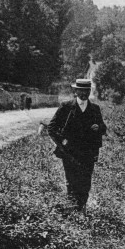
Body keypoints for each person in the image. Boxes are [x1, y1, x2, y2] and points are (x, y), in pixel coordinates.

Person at [46, 78, 107, 211]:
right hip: (70, 152)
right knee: (71, 182)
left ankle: (81, 209)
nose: (84, 93)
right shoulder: (66, 107)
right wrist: (62, 143)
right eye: (81, 90)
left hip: (88, 153)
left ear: (90, 91)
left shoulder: (95, 109)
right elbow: (51, 128)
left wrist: (99, 127)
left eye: (87, 91)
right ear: (76, 91)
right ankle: (72, 210)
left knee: (85, 183)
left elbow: (104, 128)